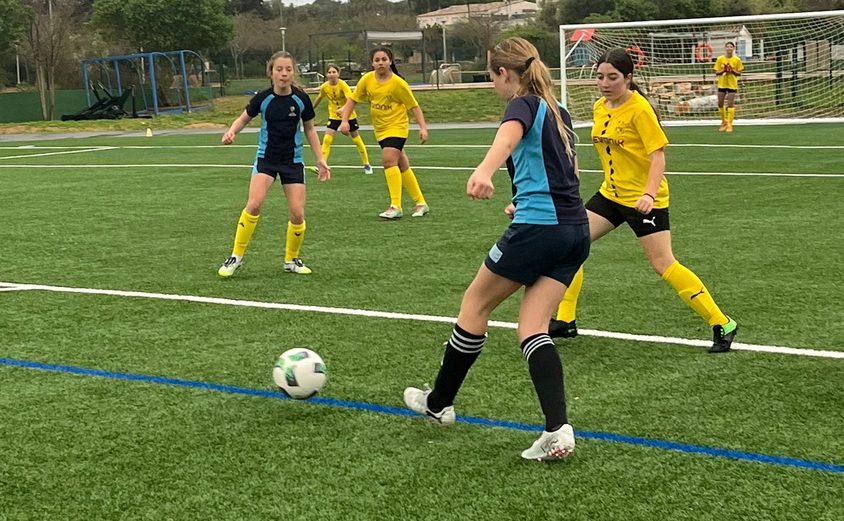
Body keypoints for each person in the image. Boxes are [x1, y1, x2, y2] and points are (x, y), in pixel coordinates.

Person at [403, 37, 590, 461]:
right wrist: (522, 198)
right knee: (533, 328)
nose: (492, 85)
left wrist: (484, 170)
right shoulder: (559, 111)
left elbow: (507, 140)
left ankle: (439, 404)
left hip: (541, 228)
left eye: (491, 76)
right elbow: (564, 171)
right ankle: (558, 430)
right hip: (574, 229)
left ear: (505, 74)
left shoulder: (522, 104)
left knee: (474, 306)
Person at [549, 47, 738, 353]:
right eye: (600, 77)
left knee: (663, 263)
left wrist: (649, 193)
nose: (605, 83)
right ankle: (566, 320)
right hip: (610, 195)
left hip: (644, 200)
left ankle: (723, 322)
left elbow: (658, 157)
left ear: (628, 78)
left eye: (613, 77)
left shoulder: (640, 109)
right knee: (571, 245)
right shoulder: (600, 107)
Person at [217, 51, 330, 278]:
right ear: (271, 72)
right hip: (266, 159)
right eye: (279, 69)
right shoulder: (263, 98)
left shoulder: (301, 99)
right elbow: (243, 118)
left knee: (297, 214)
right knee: (254, 204)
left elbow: (309, 129)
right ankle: (235, 257)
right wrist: (232, 131)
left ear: (293, 72)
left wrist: (320, 158)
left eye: (288, 69)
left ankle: (291, 260)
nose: (284, 74)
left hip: (293, 161)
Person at [338, 47, 430, 219]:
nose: (380, 63)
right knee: (402, 165)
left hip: (397, 127)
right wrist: (344, 120)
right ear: (372, 63)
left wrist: (423, 127)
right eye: (377, 60)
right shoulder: (367, 79)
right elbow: (353, 99)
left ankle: (395, 206)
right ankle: (421, 203)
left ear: (390, 61)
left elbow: (414, 106)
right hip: (380, 129)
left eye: (384, 59)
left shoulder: (398, 83)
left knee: (388, 161)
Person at [312, 64, 373, 175]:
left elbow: (351, 100)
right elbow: (319, 97)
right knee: (326, 140)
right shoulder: (325, 87)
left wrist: (343, 109)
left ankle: (366, 164)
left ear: (338, 74)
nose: (332, 74)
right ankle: (322, 164)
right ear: (326, 75)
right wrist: (311, 109)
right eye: (329, 72)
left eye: (334, 72)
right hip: (334, 116)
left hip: (349, 115)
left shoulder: (343, 85)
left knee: (356, 139)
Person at [714, 42, 744, 132]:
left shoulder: (737, 60)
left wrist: (732, 70)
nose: (729, 49)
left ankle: (730, 124)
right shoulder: (720, 59)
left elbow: (739, 73)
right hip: (722, 83)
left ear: (734, 48)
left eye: (731, 47)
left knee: (730, 104)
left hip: (732, 84)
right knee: (720, 103)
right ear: (725, 48)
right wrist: (724, 69)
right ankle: (724, 122)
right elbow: (716, 72)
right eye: (727, 47)